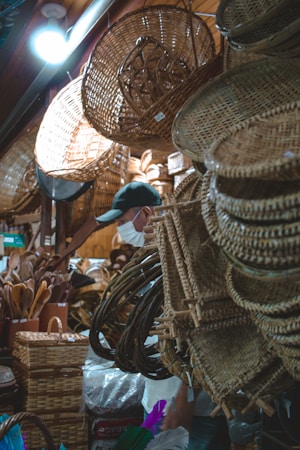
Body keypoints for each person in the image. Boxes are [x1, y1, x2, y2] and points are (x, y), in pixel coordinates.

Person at [96, 181, 231, 450]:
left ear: (145, 213)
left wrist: (184, 397)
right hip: (158, 400)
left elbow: (201, 328)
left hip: (193, 410)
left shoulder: (184, 259)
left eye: (123, 221)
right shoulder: (149, 259)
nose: (120, 229)